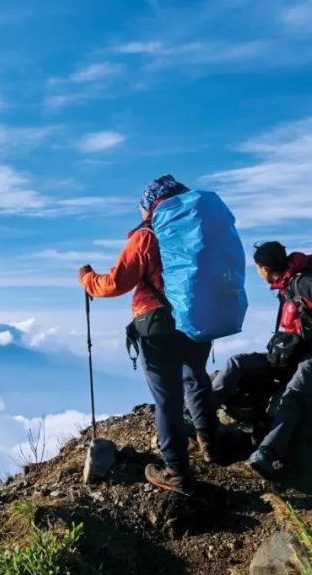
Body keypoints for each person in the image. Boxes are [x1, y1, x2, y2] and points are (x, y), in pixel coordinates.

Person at [79, 175, 219, 495]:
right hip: (196, 319)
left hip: (157, 324)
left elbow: (114, 283)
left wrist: (87, 279)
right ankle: (212, 445)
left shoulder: (146, 237)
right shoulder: (200, 231)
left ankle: (176, 471)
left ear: (151, 205)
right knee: (195, 377)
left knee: (167, 399)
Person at [212, 241, 312, 478]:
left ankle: (267, 452)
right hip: (292, 354)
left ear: (264, 268)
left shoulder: (304, 283)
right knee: (237, 362)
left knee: (292, 396)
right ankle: (200, 414)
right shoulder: (287, 285)